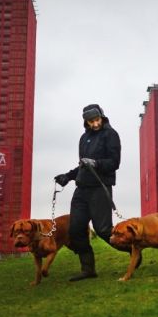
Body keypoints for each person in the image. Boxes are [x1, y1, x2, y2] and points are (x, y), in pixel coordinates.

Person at [54, 104, 120, 281]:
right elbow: (83, 165)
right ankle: (88, 270)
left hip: (100, 188)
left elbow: (114, 162)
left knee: (103, 230)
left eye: (97, 120)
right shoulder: (84, 138)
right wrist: (67, 176)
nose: (95, 124)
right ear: (86, 122)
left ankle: (133, 250)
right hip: (82, 190)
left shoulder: (110, 135)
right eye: (91, 121)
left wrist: (97, 163)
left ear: (102, 117)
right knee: (75, 230)